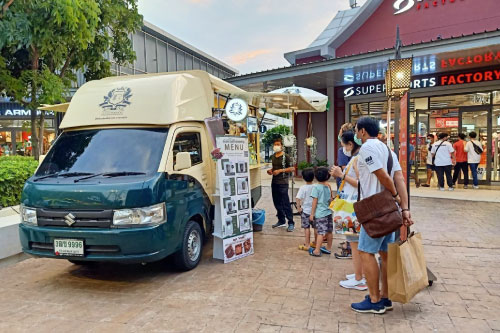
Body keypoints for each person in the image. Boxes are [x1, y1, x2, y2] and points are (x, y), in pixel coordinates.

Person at [350, 116, 413, 315]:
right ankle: (385, 297)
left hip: (375, 209)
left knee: (366, 252)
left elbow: (382, 176)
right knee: (386, 254)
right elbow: (399, 178)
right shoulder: (388, 150)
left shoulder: (367, 148)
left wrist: (394, 195)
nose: (356, 133)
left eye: (356, 130)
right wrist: (404, 207)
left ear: (362, 132)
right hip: (390, 210)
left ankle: (375, 300)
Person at [329, 131, 367, 291]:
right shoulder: (356, 158)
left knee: (355, 243)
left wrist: (341, 175)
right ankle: (360, 274)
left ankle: (360, 279)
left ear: (350, 144)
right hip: (350, 205)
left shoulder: (358, 159)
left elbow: (361, 184)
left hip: (352, 207)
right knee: (355, 242)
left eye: (344, 145)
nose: (343, 148)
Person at [268, 138, 295, 232]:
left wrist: (280, 171)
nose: (276, 146)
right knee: (276, 202)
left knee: (285, 203)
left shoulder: (286, 156)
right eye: (275, 144)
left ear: (282, 146)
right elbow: (274, 167)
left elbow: (292, 168)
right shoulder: (273, 156)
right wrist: (271, 171)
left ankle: (291, 222)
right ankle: (281, 220)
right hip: (274, 182)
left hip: (283, 183)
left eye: (278, 144)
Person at [308, 167, 333, 257]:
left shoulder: (316, 187)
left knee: (320, 232)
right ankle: (328, 248)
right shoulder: (328, 186)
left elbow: (315, 202)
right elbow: (330, 200)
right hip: (328, 213)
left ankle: (317, 250)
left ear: (315, 177)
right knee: (329, 231)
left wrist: (312, 214)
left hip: (320, 214)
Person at [296, 168, 316, 251]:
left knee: (306, 228)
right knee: (316, 228)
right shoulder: (316, 187)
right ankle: (316, 243)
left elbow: (298, 198)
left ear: (303, 177)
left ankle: (307, 244)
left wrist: (299, 207)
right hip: (315, 211)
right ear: (314, 177)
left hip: (306, 211)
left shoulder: (303, 187)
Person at [336, 123, 354, 189]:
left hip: (345, 180)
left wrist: (337, 173)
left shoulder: (342, 151)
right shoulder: (357, 148)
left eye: (340, 131)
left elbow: (344, 168)